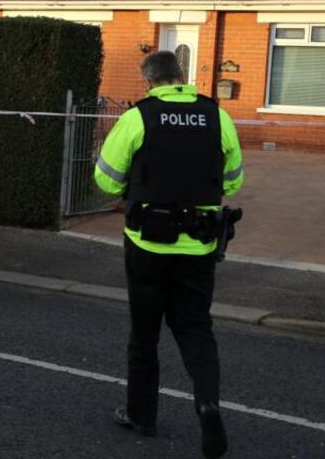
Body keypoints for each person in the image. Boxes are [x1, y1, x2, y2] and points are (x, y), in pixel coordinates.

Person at [94, 51, 244, 459]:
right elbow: (233, 179)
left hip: (147, 244)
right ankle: (207, 406)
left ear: (149, 82)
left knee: (144, 333)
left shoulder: (138, 117)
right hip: (199, 245)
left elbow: (105, 180)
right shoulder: (217, 117)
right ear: (181, 77)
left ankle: (141, 416)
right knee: (196, 330)